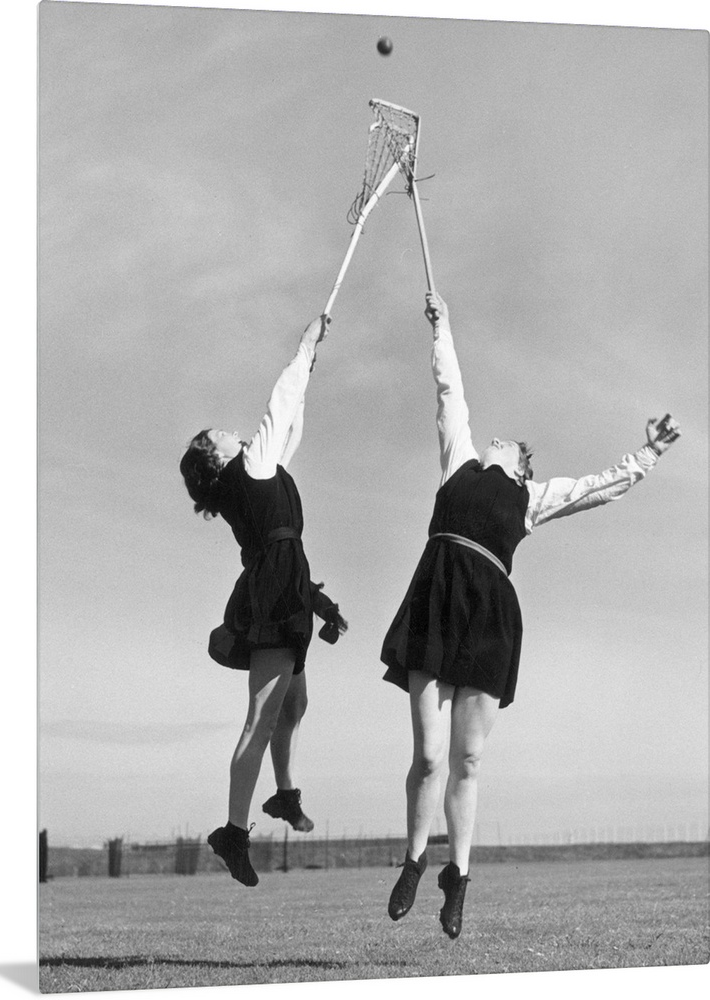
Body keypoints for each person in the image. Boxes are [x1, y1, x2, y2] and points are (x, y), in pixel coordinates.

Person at [381, 291, 681, 939]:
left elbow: (599, 486)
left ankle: (457, 878)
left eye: (511, 443)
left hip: (490, 616)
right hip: (436, 598)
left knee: (467, 760)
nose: (497, 438)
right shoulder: (457, 460)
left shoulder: (532, 496)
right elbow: (449, 391)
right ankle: (413, 860)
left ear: (520, 464)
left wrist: (647, 454)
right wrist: (442, 327)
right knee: (429, 756)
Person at [180, 314, 347, 887]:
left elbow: (290, 426)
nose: (236, 431)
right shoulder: (249, 467)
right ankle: (233, 831)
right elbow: (282, 406)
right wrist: (304, 347)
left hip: (284, 586)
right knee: (261, 717)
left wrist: (311, 364)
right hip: (275, 593)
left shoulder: (256, 471)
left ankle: (284, 794)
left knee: (293, 704)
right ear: (216, 457)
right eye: (222, 434)